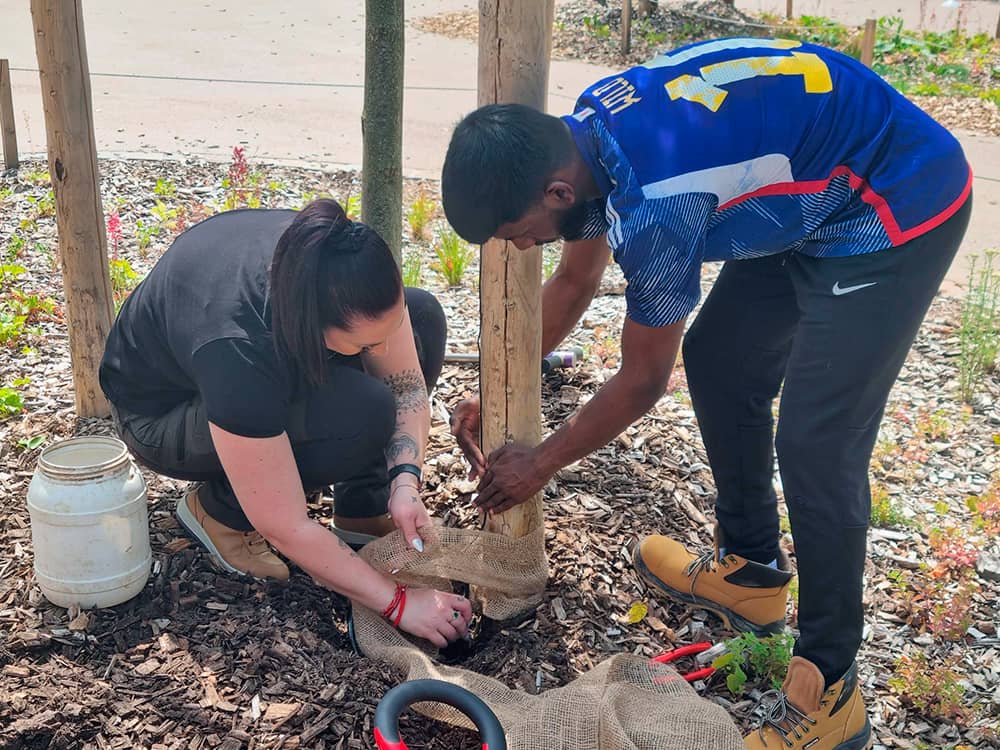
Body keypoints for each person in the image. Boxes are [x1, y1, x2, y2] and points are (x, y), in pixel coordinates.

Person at [441, 37, 971, 748]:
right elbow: (574, 282)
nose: (522, 246)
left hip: (892, 199)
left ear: (556, 194)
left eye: (518, 232)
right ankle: (751, 573)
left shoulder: (658, 206)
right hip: (812, 182)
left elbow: (642, 381)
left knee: (818, 444)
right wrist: (502, 382)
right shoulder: (592, 129)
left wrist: (537, 463)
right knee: (722, 360)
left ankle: (831, 691)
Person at [100, 200, 472, 647]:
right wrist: (397, 603)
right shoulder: (239, 347)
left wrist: (404, 481)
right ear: (313, 328)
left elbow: (406, 389)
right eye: (368, 344)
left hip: (237, 367)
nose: (382, 348)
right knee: (361, 411)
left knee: (422, 316)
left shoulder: (321, 255)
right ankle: (221, 513)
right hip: (162, 414)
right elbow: (288, 525)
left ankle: (363, 504)